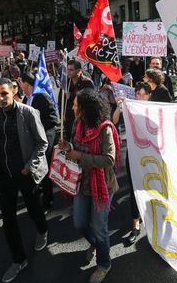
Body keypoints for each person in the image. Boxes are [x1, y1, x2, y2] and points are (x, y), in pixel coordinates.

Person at [0, 78, 49, 283]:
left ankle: (42, 230)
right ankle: (18, 259)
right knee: (8, 221)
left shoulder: (28, 113)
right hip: (4, 176)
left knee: (34, 208)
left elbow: (42, 143)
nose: (0, 98)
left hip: (26, 174)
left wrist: (29, 166)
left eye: (4, 94)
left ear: (13, 91)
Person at [59, 89, 120, 283]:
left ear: (86, 109)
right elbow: (76, 147)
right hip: (82, 183)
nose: (73, 107)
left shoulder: (105, 128)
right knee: (79, 222)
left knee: (99, 227)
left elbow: (109, 159)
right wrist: (68, 147)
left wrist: (80, 156)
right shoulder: (78, 124)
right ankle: (96, 244)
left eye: (76, 105)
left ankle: (104, 263)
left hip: (102, 185)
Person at [111, 82, 151, 245]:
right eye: (138, 94)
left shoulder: (154, 109)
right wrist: (119, 105)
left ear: (150, 96)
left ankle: (148, 216)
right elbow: (114, 120)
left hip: (151, 155)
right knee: (134, 186)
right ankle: (135, 224)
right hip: (134, 154)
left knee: (148, 186)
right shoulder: (129, 107)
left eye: (144, 94)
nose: (140, 97)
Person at [21, 72, 59, 212]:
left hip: (44, 139)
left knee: (45, 168)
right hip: (31, 140)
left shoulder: (42, 96)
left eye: (21, 82)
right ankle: (37, 194)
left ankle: (48, 201)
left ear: (26, 83)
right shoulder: (26, 98)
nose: (20, 85)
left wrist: (37, 128)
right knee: (34, 167)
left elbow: (53, 119)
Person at [59, 59, 94, 141]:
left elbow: (91, 99)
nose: (68, 72)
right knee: (68, 137)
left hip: (82, 116)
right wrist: (62, 114)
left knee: (80, 138)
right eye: (67, 69)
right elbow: (61, 99)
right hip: (68, 115)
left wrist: (72, 95)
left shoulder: (87, 82)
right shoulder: (66, 82)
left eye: (71, 70)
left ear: (79, 70)